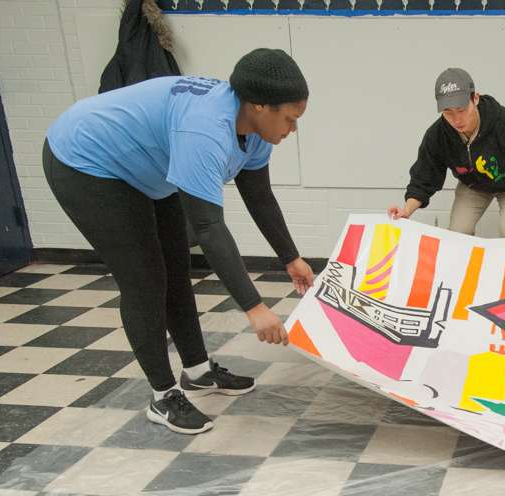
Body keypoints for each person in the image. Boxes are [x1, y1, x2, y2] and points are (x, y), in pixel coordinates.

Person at [43, 48, 314, 435]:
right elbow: (208, 227)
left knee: (175, 268)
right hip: (88, 160)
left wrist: (291, 257)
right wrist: (254, 307)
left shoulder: (255, 132)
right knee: (145, 280)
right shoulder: (204, 130)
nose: (293, 128)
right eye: (289, 118)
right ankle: (162, 395)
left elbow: (259, 196)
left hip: (147, 167)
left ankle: (198, 371)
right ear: (258, 105)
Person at [389, 68, 505, 240]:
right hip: (473, 186)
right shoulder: (438, 135)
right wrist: (406, 211)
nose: (456, 120)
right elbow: (424, 176)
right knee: (457, 233)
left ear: (475, 99)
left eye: (461, 110)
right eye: (448, 113)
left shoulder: (504, 124)